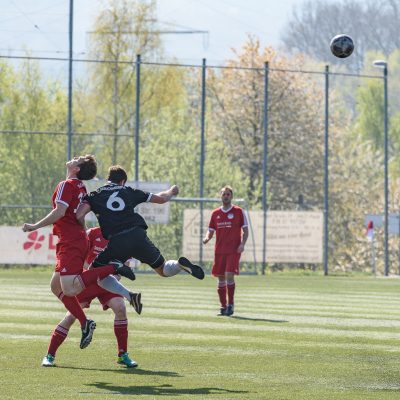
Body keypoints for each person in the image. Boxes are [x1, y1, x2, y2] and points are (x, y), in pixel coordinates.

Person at [22, 155, 136, 350]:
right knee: (56, 287)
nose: (74, 158)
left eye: (78, 159)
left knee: (71, 289)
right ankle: (85, 323)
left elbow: (59, 212)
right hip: (73, 240)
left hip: (71, 242)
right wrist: (83, 234)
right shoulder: (80, 187)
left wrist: (34, 226)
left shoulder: (67, 184)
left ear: (76, 169)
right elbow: (78, 215)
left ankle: (112, 267)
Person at [76, 165, 205, 281]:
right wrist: (172, 191)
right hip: (137, 235)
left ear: (108, 180)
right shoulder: (128, 191)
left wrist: (83, 228)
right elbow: (161, 199)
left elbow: (79, 214)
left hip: (117, 241)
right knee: (163, 269)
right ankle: (178, 264)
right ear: (123, 182)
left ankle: (116, 266)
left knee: (92, 272)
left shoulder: (94, 195)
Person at [41, 281, 139, 368]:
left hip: (108, 282)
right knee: (70, 317)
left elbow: (123, 265)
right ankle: (49, 355)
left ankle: (123, 355)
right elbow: (85, 265)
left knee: (120, 309)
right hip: (87, 282)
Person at [203, 186, 249, 316]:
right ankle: (223, 307)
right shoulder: (215, 213)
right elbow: (211, 230)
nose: (226, 196)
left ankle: (231, 304)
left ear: (231, 196)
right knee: (221, 278)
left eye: (228, 194)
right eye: (224, 194)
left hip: (233, 250)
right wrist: (206, 238)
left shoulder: (238, 212)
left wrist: (242, 244)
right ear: (220, 196)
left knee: (229, 274)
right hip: (219, 251)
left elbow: (246, 230)